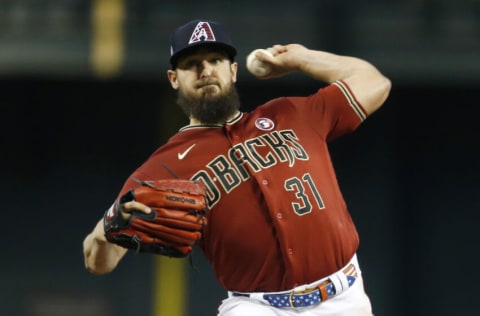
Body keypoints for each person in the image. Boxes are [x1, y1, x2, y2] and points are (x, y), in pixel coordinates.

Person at [83, 19, 391, 316]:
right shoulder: (163, 167)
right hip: (256, 307)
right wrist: (107, 228)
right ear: (174, 78)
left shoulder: (292, 114)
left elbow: (374, 83)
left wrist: (302, 59)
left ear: (232, 71)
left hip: (344, 298)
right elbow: (100, 262)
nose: (205, 70)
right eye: (192, 64)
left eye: (215, 60)